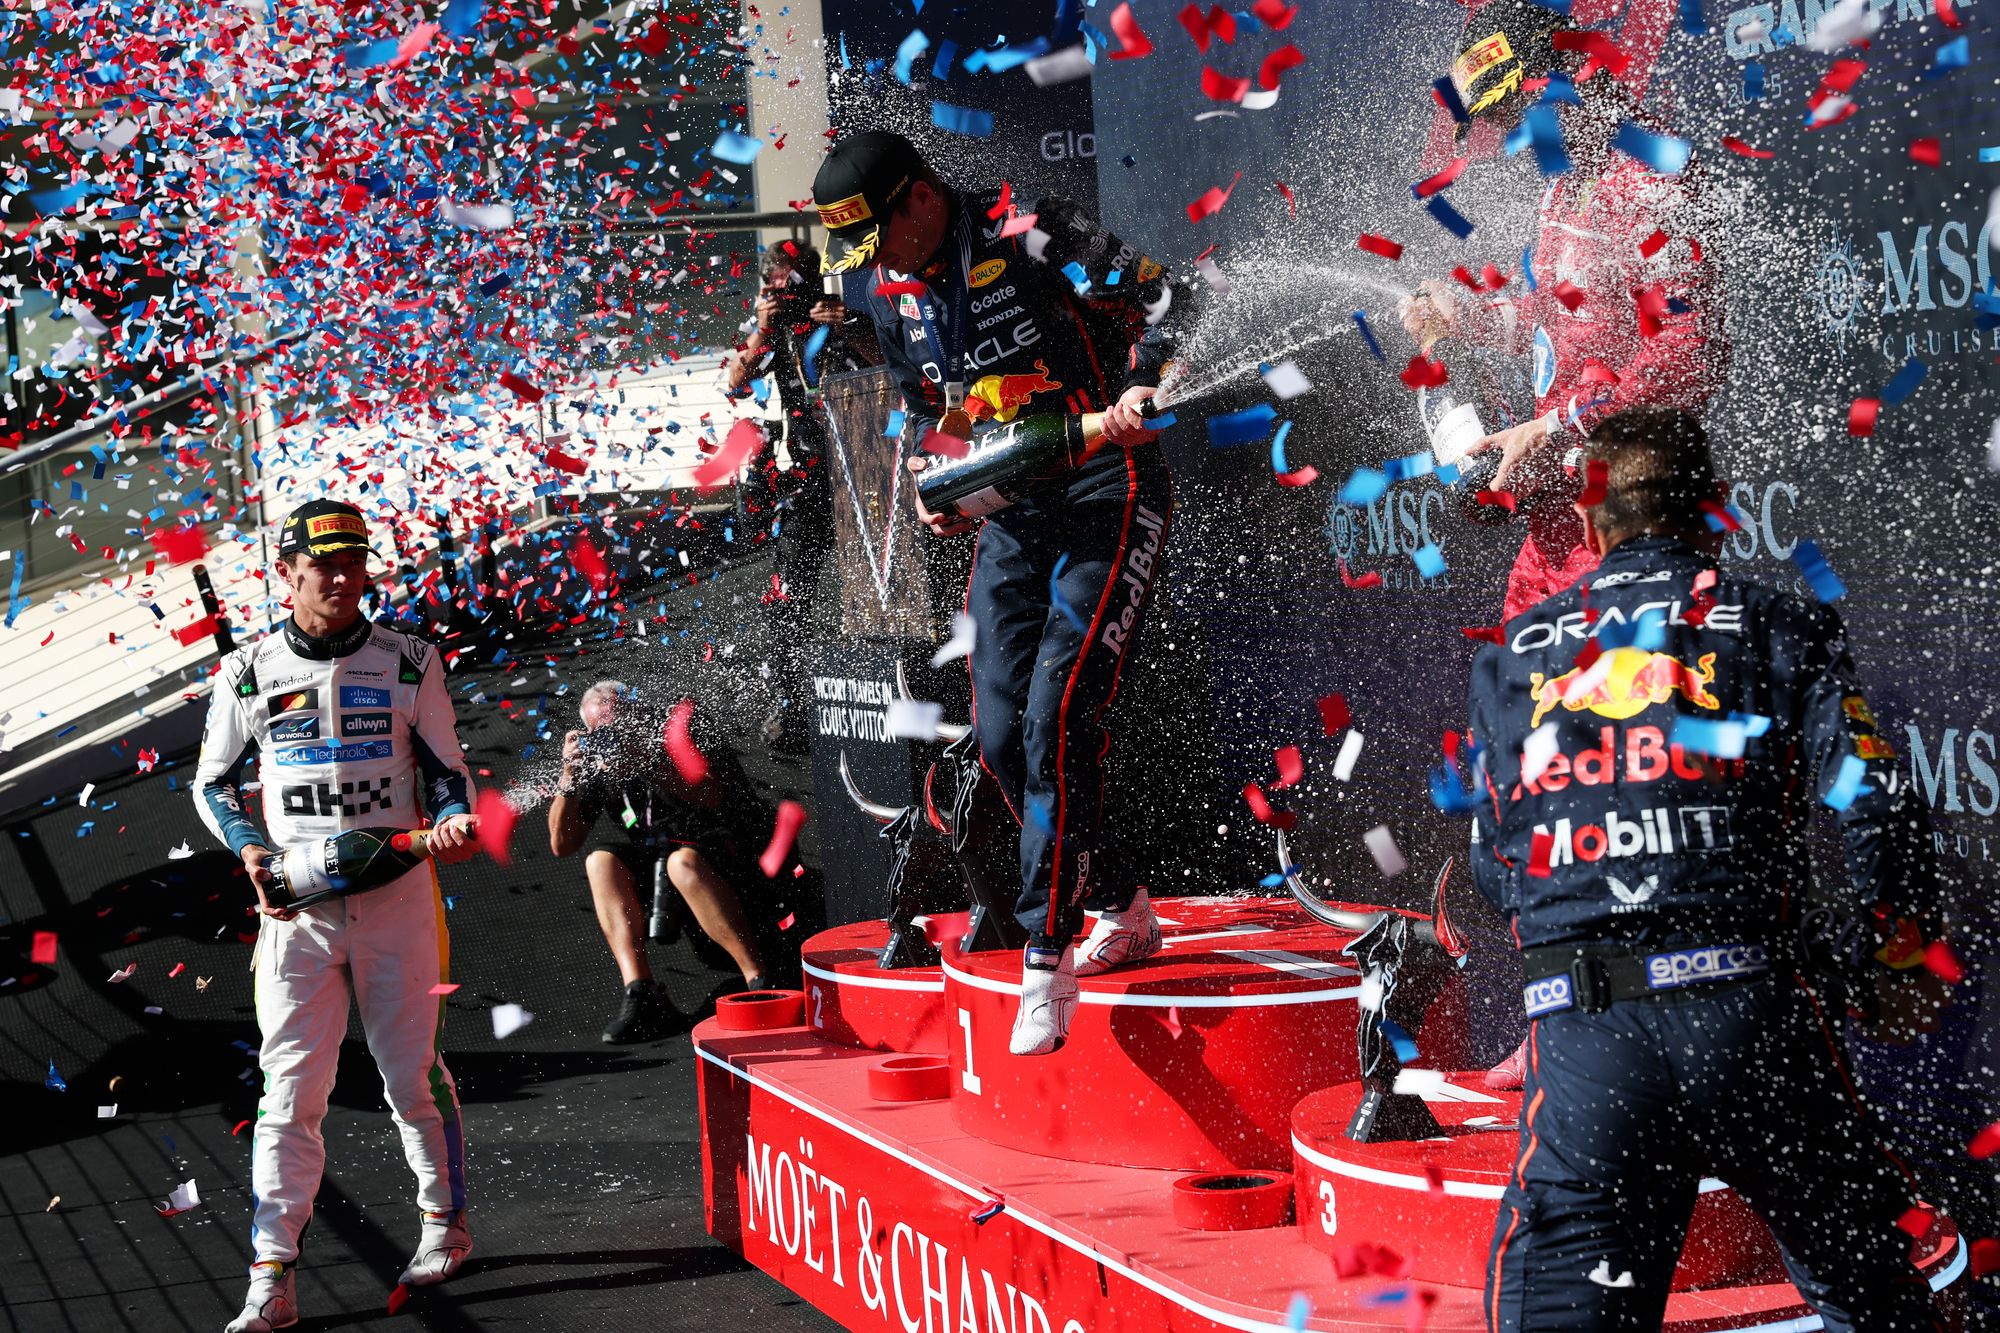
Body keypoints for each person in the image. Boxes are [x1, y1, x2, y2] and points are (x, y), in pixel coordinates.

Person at [1464, 408, 1948, 1331]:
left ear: (1588, 518)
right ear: (1718, 510)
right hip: (1754, 1022)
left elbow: (1498, 870)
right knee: (1882, 1307)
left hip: (1589, 1042)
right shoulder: (1782, 622)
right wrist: (1895, 957)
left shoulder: (1508, 659)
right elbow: (1878, 798)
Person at [813, 130, 1184, 1056]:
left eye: (880, 239)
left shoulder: (1024, 226)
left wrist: (1143, 386)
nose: (879, 264)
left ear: (920, 198)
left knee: (1058, 714)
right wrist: (939, 482)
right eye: (861, 255)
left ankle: (1045, 958)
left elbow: (1169, 296)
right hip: (1014, 514)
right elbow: (930, 411)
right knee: (999, 731)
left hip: (1109, 486)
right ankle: (1123, 904)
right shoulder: (885, 290)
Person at [194, 499, 478, 1333]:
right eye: (325, 564)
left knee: (411, 1074)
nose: (345, 576)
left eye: (356, 560)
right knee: (289, 1093)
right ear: (286, 573)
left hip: (398, 903)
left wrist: (452, 818)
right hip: (296, 912)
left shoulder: (410, 660)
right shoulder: (246, 671)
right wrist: (250, 849)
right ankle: (271, 1276)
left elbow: (448, 771)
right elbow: (212, 782)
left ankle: (444, 1224)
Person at [1399, 0, 1727, 624]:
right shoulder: (1567, 180)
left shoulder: (1649, 179)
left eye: (1513, 111)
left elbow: (1690, 349)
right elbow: (1560, 316)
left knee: (1615, 685)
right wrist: (1463, 317)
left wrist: (1556, 428)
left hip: (1632, 518)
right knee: (1518, 679)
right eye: (1500, 120)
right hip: (1562, 519)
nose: (1514, 134)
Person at [547, 681, 771, 1043]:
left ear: (639, 715)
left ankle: (761, 982)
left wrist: (648, 764)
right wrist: (569, 776)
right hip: (661, 864)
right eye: (601, 734)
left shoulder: (680, 730)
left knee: (682, 863)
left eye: (618, 729)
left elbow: (713, 796)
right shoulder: (601, 764)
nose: (612, 741)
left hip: (731, 856)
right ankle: (641, 992)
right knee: (601, 862)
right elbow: (562, 844)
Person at [724, 244, 881, 753]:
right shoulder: (771, 331)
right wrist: (762, 328)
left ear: (812, 280)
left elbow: (895, 364)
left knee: (875, 587)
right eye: (773, 287)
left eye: (791, 284)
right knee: (788, 594)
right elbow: (736, 382)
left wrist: (848, 325)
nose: (784, 294)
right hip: (805, 480)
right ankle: (790, 703)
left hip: (862, 473)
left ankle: (886, 699)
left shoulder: (844, 317)